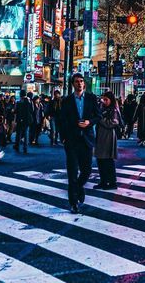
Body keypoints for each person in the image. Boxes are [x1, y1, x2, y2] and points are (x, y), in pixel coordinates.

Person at [59, 73, 101, 213]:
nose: (79, 83)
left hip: (87, 139)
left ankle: (78, 187)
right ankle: (73, 202)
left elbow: (98, 116)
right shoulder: (67, 100)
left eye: (81, 81)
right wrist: (63, 137)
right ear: (73, 84)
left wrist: (89, 122)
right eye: (76, 81)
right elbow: (62, 120)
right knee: (72, 172)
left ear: (84, 84)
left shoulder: (91, 98)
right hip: (72, 140)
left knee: (87, 170)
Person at [94, 91, 119, 190]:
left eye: (106, 99)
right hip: (100, 136)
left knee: (108, 160)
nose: (104, 101)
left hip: (108, 136)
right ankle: (103, 181)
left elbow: (113, 122)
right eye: (103, 99)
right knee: (100, 159)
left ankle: (112, 182)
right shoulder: (102, 108)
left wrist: (101, 119)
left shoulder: (114, 110)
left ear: (111, 100)